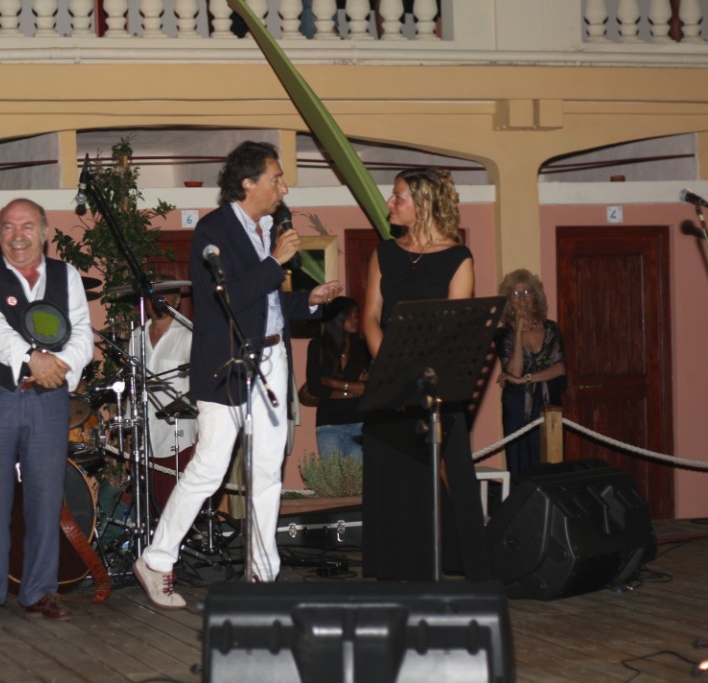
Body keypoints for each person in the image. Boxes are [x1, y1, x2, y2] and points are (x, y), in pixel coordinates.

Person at [133, 141, 342, 609]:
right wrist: (275, 262)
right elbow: (225, 299)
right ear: (248, 183)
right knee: (209, 468)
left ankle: (262, 575)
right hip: (227, 362)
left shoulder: (267, 228)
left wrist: (309, 300)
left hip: (272, 357)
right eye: (276, 178)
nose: (284, 188)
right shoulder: (214, 230)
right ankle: (157, 560)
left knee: (267, 471)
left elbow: (266, 303)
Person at [0, 198, 93, 624]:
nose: (17, 235)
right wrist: (33, 360)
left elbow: (83, 333)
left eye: (27, 226)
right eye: (8, 227)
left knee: (46, 497)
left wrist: (60, 367)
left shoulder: (66, 274)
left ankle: (40, 591)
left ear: (45, 232)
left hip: (48, 399)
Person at [360, 167, 490, 582]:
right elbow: (370, 318)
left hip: (437, 385)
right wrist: (394, 373)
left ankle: (467, 564)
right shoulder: (384, 253)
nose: (389, 203)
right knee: (395, 475)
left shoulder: (458, 258)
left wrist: (421, 380)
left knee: (446, 470)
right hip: (389, 382)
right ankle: (398, 567)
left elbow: (455, 327)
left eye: (398, 196)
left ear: (424, 203)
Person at [495, 269, 566, 483]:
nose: (522, 299)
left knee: (550, 462)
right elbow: (514, 371)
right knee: (519, 464)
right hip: (517, 407)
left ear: (536, 297)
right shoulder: (504, 334)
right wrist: (518, 332)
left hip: (547, 404)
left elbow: (560, 369)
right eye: (515, 294)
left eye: (527, 292)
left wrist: (526, 379)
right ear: (509, 300)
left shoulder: (551, 329)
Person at [129, 282, 196, 463]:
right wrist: (130, 429)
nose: (156, 301)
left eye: (163, 296)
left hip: (180, 438)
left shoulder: (189, 334)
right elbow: (133, 384)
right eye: (152, 297)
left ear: (177, 301)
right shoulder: (136, 336)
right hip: (145, 439)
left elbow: (202, 388)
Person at [304, 296, 369, 462]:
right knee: (332, 476)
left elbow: (368, 388)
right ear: (337, 318)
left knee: (357, 476)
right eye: (350, 315)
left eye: (357, 315)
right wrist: (352, 390)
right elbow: (315, 388)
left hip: (358, 422)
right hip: (329, 423)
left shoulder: (363, 347)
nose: (355, 320)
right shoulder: (317, 346)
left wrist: (333, 383)